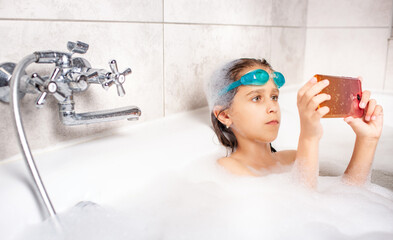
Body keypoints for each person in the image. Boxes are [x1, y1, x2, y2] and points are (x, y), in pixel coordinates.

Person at [206, 58, 383, 189]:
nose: (272, 107)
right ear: (224, 116)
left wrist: (367, 139)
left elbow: (350, 196)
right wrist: (309, 136)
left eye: (274, 97)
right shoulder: (228, 168)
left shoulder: (293, 159)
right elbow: (304, 209)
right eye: (257, 98)